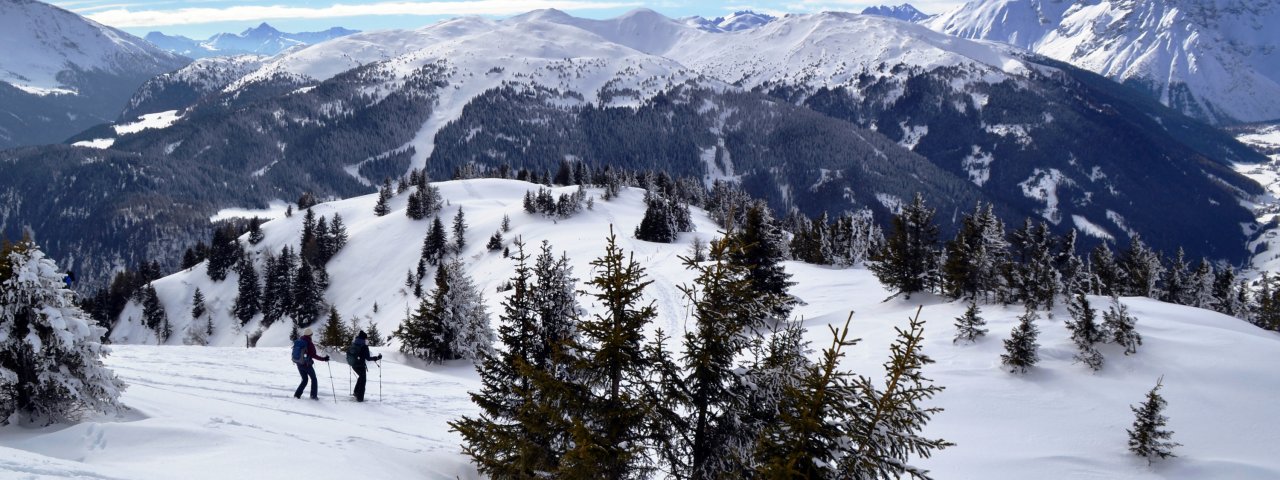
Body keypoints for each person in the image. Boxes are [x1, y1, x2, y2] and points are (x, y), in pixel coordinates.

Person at [292, 328, 330, 399]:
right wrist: (324, 359)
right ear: (310, 335)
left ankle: (297, 395)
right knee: (314, 379)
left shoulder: (300, 341)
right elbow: (314, 355)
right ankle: (313, 396)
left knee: (304, 379)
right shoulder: (309, 343)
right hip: (307, 365)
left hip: (299, 364)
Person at [346, 330, 383, 402]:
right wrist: (377, 358)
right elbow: (368, 358)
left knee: (361, 378)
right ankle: (360, 398)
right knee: (363, 381)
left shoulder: (354, 343)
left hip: (354, 365)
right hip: (360, 365)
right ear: (364, 338)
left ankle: (356, 392)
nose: (367, 340)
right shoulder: (364, 347)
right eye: (366, 338)